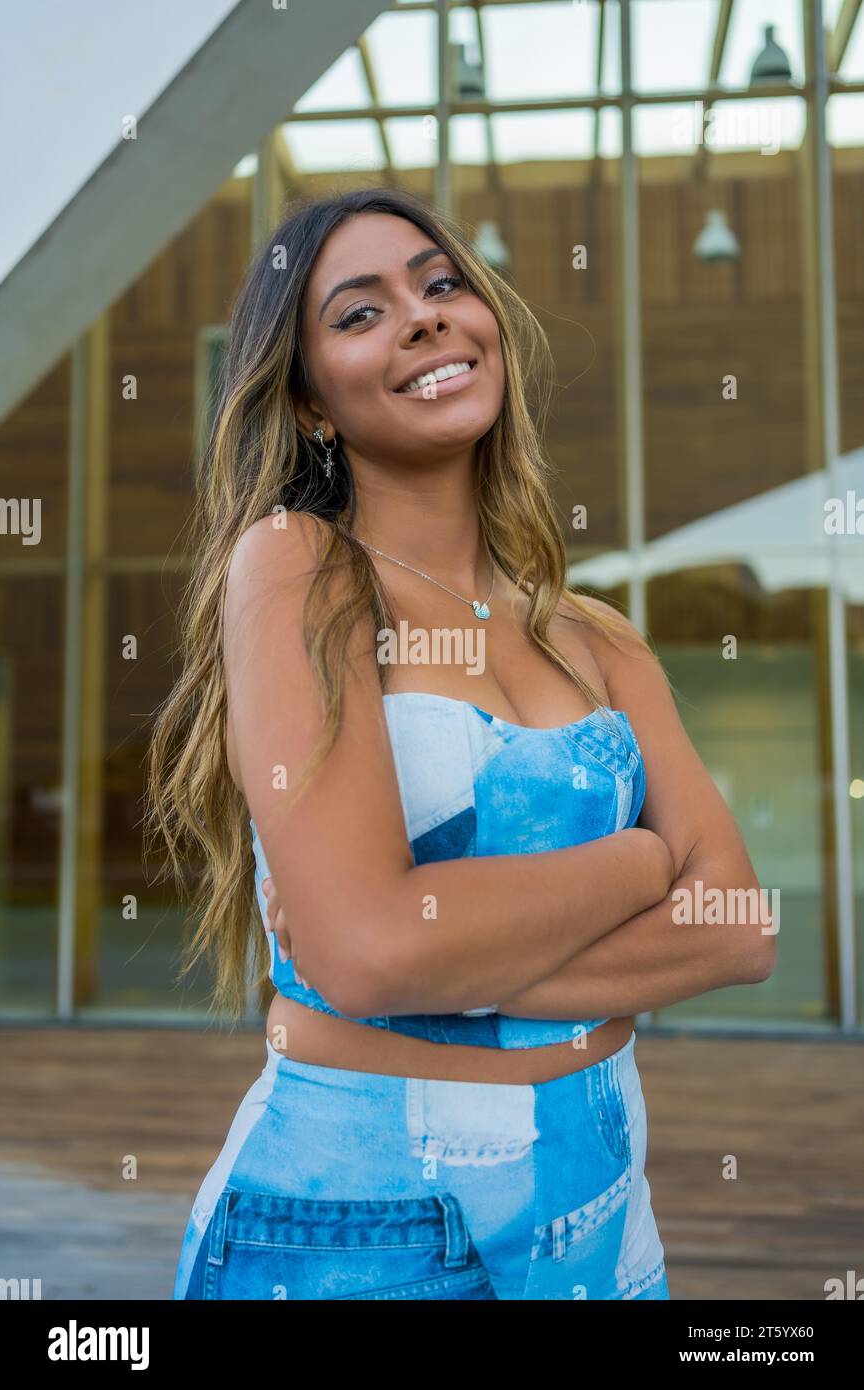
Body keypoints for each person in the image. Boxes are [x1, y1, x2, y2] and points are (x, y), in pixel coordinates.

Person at [147, 187, 774, 1301]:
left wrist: (409, 947)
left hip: (605, 1218)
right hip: (361, 1224)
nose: (425, 317)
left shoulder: (597, 638)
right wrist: (637, 868)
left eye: (441, 286)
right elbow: (368, 952)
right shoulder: (298, 565)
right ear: (308, 405)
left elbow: (736, 928)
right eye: (359, 312)